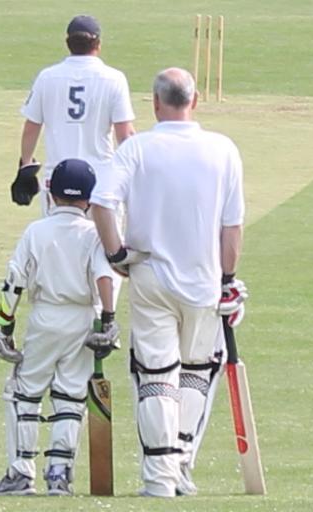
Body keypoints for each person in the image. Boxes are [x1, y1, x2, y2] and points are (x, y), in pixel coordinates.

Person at [90, 67, 248, 497]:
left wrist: (117, 254)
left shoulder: (135, 149)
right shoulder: (223, 149)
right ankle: (178, 467)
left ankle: (160, 478)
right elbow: (231, 228)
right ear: (194, 101)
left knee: (157, 373)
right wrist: (228, 279)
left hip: (151, 277)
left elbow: (101, 204)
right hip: (203, 281)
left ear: (156, 103)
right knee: (197, 371)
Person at [0, 159, 120, 497]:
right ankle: (59, 475)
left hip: (45, 317)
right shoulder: (93, 233)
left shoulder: (37, 231)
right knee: (70, 395)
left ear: (50, 192)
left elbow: (14, 281)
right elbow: (104, 276)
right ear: (89, 199)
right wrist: (109, 320)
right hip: (81, 319)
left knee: (26, 392)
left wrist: (4, 326)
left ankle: (21, 473)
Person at [12, 14, 135, 214]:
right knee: (102, 243)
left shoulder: (47, 77)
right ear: (98, 44)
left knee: (56, 242)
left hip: (57, 181)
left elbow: (31, 128)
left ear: (67, 43)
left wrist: (25, 167)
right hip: (100, 180)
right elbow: (125, 134)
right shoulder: (114, 79)